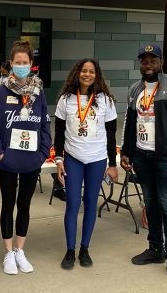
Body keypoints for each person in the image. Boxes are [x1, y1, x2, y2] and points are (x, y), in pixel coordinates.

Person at [120, 44, 167, 282]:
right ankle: (155, 249)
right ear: (140, 63)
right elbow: (129, 124)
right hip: (142, 156)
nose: (148, 65)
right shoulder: (134, 89)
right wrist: (125, 152)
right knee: (150, 204)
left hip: (166, 158)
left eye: (153, 60)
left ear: (161, 62)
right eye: (144, 60)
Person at [0, 40, 51, 275]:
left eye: (25, 62)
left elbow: (45, 123)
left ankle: (20, 250)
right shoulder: (0, 92)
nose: (21, 66)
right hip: (8, 159)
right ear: (11, 64)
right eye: (18, 62)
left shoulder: (38, 92)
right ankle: (7, 252)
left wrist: (43, 152)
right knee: (8, 204)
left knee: (24, 204)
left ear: (31, 64)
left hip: (31, 160)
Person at [54, 59, 119, 270]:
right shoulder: (66, 100)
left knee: (91, 202)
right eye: (84, 71)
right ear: (77, 73)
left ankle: (85, 248)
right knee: (73, 203)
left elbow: (111, 134)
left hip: (97, 159)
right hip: (73, 158)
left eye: (91, 71)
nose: (87, 74)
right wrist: (59, 159)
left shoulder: (105, 100)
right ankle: (70, 250)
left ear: (96, 75)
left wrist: (112, 163)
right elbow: (59, 132)